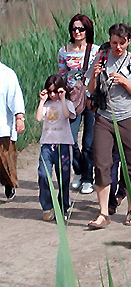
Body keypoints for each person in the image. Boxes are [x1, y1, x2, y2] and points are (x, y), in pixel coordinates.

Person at [86, 23, 131, 229]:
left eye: (122, 43)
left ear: (128, 41)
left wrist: (124, 82)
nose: (118, 47)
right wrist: (95, 76)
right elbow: (91, 90)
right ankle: (103, 212)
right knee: (101, 162)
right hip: (105, 117)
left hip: (129, 117)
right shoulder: (101, 57)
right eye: (114, 43)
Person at [58, 14, 100, 195]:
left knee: (89, 142)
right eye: (74, 28)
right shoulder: (64, 51)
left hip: (91, 98)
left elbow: (99, 74)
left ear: (87, 30)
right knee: (70, 139)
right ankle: (79, 170)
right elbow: (61, 74)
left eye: (81, 29)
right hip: (72, 99)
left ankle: (87, 179)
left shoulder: (96, 50)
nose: (77, 32)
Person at [35, 75, 76, 221]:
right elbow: (39, 118)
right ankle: (47, 206)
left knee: (63, 177)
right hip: (47, 144)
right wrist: (42, 101)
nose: (52, 95)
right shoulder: (46, 105)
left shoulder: (68, 103)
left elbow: (67, 116)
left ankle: (63, 206)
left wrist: (63, 98)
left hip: (63, 144)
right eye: (50, 91)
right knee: (43, 174)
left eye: (55, 92)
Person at [0, 42, 25, 200]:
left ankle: (9, 183)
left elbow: (15, 97)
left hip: (2, 126)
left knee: (4, 160)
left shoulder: (7, 74)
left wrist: (19, 117)